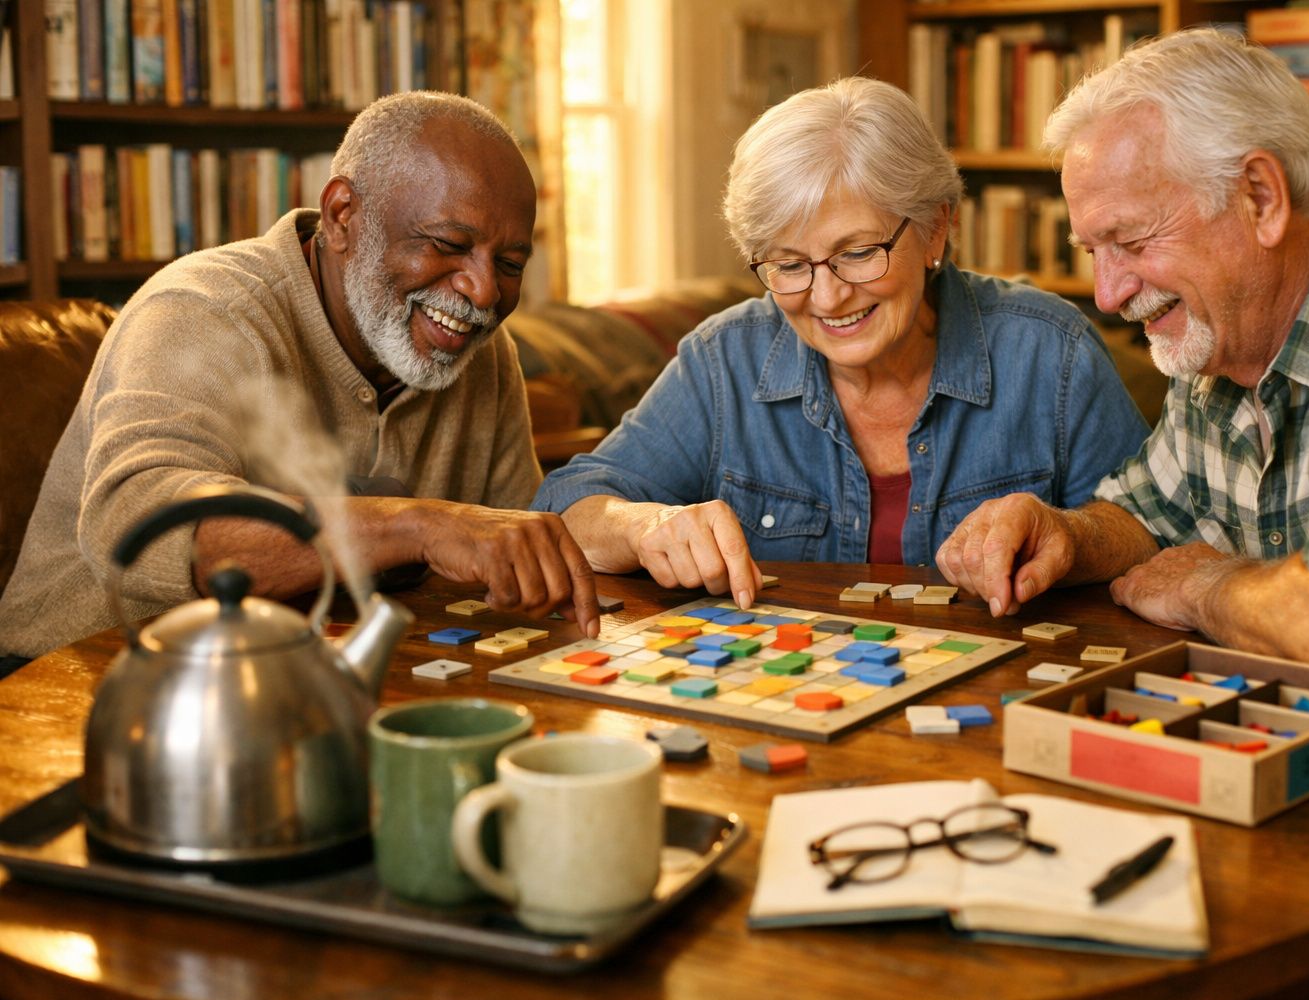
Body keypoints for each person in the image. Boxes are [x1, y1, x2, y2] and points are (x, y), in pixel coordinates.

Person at [936, 29, 1309, 1000]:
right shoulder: (1227, 337)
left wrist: (1205, 584)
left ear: (1260, 197)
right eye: (1095, 251)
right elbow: (1145, 512)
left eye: (1131, 242)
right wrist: (1065, 531)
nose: (1110, 293)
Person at [0, 90, 599, 667]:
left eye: (511, 263)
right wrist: (419, 524)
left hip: (311, 677)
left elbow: (512, 543)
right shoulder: (202, 309)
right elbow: (138, 524)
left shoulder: (482, 355)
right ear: (343, 216)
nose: (484, 290)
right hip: (85, 678)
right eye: (448, 244)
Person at [533, 77, 1148, 610]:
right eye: (789, 264)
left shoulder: (1050, 352)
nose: (826, 299)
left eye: (857, 253)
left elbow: (1150, 527)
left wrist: (1071, 534)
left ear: (937, 227)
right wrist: (645, 525)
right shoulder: (724, 361)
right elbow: (565, 504)